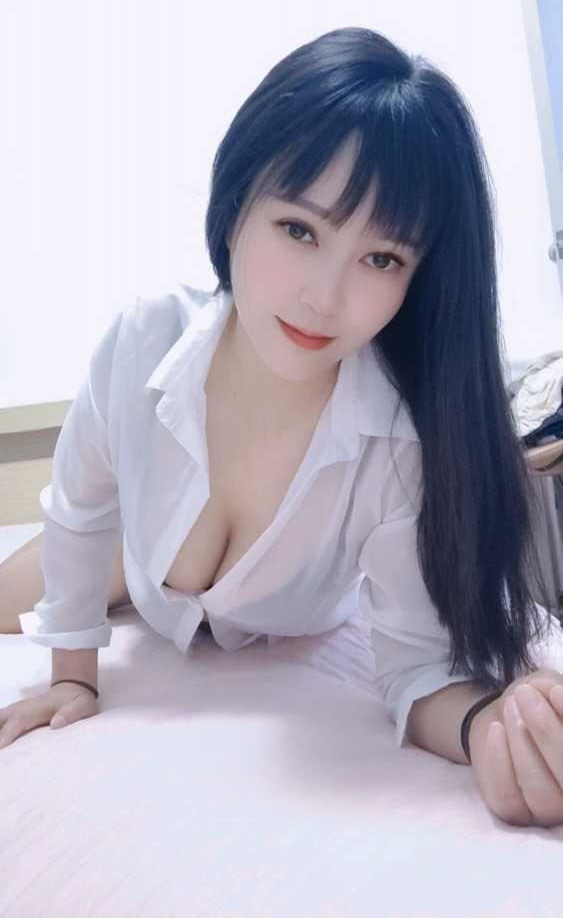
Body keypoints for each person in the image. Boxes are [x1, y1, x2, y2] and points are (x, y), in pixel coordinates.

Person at [1, 27, 563, 828]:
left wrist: (491, 729)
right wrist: (72, 675)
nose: (323, 298)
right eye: (299, 230)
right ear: (236, 207)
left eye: (381, 259)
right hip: (128, 546)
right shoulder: (143, 337)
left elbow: (417, 669)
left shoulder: (398, 447)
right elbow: (81, 508)